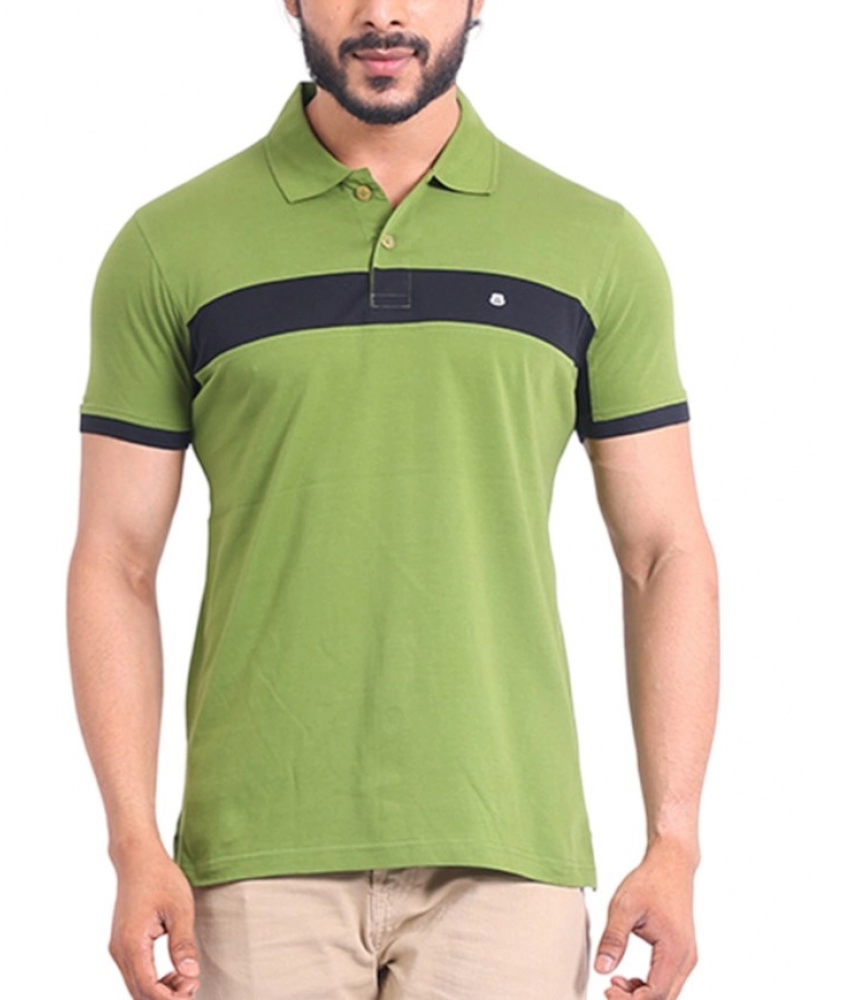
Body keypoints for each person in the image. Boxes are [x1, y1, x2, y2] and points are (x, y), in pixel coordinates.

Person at [66, 1, 720, 998]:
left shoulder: (594, 245)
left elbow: (663, 552)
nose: (381, 11)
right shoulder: (170, 246)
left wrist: (675, 844)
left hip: (508, 847)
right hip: (253, 856)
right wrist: (132, 842)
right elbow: (115, 560)